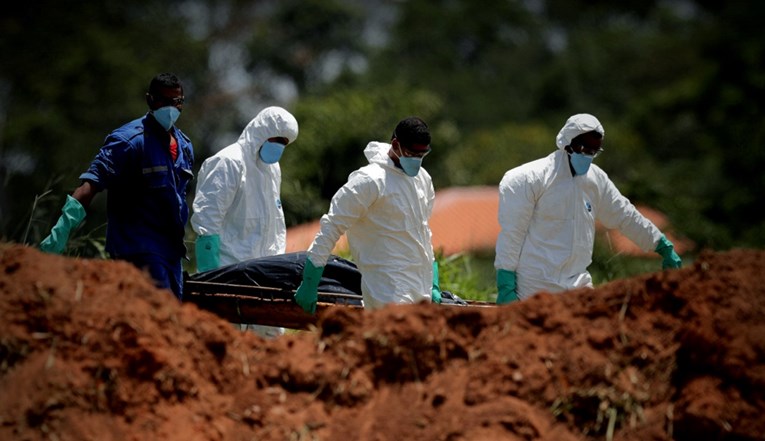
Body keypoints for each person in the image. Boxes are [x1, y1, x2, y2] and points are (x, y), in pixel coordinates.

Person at [494, 113, 682, 304]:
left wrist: (660, 244)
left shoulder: (596, 180)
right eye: (584, 148)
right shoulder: (530, 178)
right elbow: (512, 233)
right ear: (567, 143)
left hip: (578, 286)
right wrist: (506, 283)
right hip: (534, 286)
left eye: (594, 151)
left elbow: (625, 215)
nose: (588, 156)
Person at [39, 72, 194, 300]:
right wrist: (60, 233)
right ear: (150, 100)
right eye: (164, 101)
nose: (171, 108)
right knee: (160, 310)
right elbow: (90, 185)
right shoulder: (128, 141)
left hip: (170, 252)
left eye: (177, 102)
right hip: (137, 249)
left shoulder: (184, 145)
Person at [294, 116, 443, 314]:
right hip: (386, 288)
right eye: (411, 153)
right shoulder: (369, 180)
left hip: (420, 286)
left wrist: (433, 282)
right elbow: (332, 226)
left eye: (422, 154)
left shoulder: (422, 180)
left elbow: (423, 231)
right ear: (396, 144)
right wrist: (310, 281)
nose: (416, 160)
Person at [191, 106, 299, 338]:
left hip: (265, 280)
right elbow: (206, 222)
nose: (279, 146)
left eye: (284, 142)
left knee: (268, 352)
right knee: (227, 346)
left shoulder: (272, 169)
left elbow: (273, 222)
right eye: (275, 139)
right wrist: (210, 282)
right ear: (260, 132)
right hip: (230, 278)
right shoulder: (228, 162)